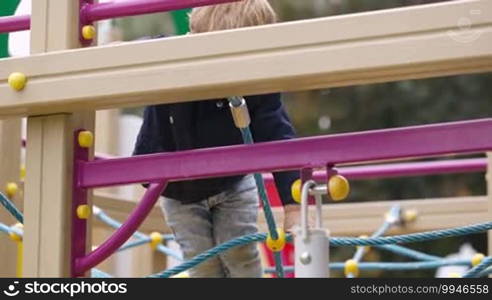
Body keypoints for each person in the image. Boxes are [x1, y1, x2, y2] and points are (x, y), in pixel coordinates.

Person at [133, 0, 300, 277]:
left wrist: (292, 206)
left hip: (232, 184)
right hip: (180, 191)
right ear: (196, 37)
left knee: (240, 254)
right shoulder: (174, 60)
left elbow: (278, 136)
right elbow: (143, 53)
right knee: (202, 264)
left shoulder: (256, 82)